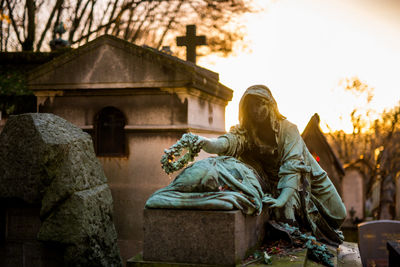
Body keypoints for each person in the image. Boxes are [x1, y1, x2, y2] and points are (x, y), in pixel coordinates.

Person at [195, 84, 346, 246]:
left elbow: (292, 166)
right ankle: (297, 226)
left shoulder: (288, 129)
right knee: (285, 212)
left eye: (261, 104)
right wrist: (206, 143)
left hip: (309, 180)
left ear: (271, 106)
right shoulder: (246, 131)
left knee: (338, 215)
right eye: (251, 106)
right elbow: (229, 143)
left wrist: (282, 198)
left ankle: (300, 215)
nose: (256, 110)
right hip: (275, 185)